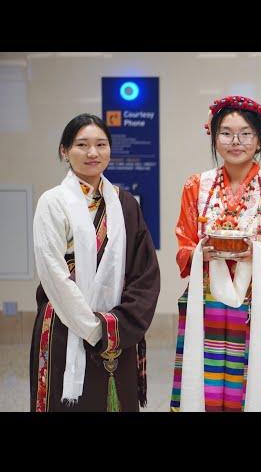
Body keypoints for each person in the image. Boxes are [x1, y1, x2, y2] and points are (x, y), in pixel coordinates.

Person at [30, 113, 160, 412]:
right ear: (65, 150)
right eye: (82, 145)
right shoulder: (53, 202)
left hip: (118, 327)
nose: (93, 153)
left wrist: (119, 325)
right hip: (65, 324)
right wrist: (93, 329)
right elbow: (53, 273)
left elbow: (144, 272)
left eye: (101, 144)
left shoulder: (125, 203)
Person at [171, 96, 261, 412]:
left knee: (249, 385)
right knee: (202, 384)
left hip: (256, 304)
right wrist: (202, 251)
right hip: (204, 300)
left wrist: (258, 253)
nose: (235, 141)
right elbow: (184, 246)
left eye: (246, 133)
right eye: (226, 133)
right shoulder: (196, 185)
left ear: (260, 138)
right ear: (213, 136)